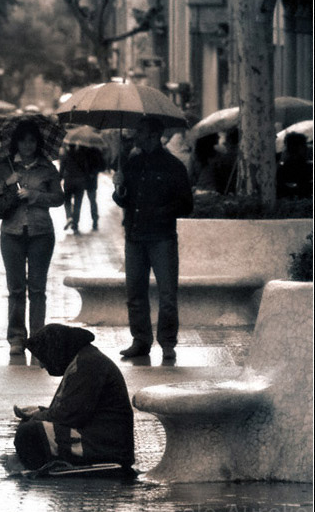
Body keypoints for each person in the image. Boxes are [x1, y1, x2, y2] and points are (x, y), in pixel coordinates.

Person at [112, 117, 193, 360]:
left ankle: (167, 342)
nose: (136, 135)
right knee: (135, 292)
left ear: (154, 134)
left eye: (141, 131)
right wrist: (119, 189)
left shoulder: (173, 166)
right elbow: (124, 200)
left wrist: (159, 211)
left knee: (167, 293)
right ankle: (141, 339)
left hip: (162, 237)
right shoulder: (132, 163)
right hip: (135, 236)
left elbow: (186, 205)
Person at [0, 119, 64, 356]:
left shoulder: (47, 168)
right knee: (16, 289)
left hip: (41, 233)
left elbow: (59, 199)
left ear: (37, 143)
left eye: (32, 141)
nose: (27, 145)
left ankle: (38, 338)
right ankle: (17, 337)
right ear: (16, 143)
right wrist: (5, 184)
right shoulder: (4, 167)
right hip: (11, 234)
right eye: (23, 141)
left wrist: (35, 195)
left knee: (37, 289)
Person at [12, 324, 135, 471]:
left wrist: (38, 416)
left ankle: (33, 465)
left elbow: (68, 415)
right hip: (103, 437)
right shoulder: (83, 359)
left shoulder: (87, 364)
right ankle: (29, 460)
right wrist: (39, 412)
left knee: (28, 433)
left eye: (42, 358)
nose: (42, 366)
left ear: (53, 351)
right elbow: (72, 409)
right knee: (30, 428)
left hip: (107, 445)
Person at [61, 144, 104, 233]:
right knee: (82, 202)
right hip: (85, 180)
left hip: (80, 180)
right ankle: (83, 222)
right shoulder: (92, 151)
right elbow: (101, 165)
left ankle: (73, 220)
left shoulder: (75, 153)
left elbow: (100, 165)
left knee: (73, 201)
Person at [277, 132, 313, 199]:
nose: (306, 147)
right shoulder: (305, 167)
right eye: (304, 145)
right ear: (300, 147)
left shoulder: (282, 167)